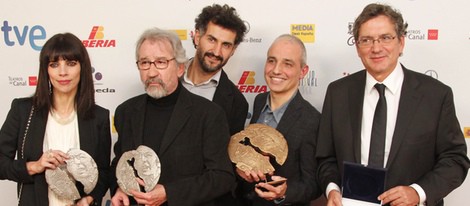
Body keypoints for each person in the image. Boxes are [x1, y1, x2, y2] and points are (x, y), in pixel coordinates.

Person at [316, 3, 470, 206]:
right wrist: (332, 189)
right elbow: (325, 158)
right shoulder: (338, 93)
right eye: (366, 40)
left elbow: (455, 160)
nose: (376, 48)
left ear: (401, 42)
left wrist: (418, 192)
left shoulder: (435, 95)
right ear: (357, 47)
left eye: (385, 38)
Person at [110, 27, 235, 206]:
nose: (151, 72)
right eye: (144, 62)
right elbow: (120, 162)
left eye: (161, 62)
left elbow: (222, 177)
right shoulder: (126, 112)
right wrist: (120, 187)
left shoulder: (209, 114)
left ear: (180, 68)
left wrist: (170, 193)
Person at [0, 33, 111, 206]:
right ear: (46, 70)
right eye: (54, 64)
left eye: (71, 63)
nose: (63, 72)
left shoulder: (99, 117)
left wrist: (89, 198)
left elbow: (103, 171)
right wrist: (34, 166)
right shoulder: (23, 110)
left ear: (83, 67)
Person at [236, 34, 321, 206]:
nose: (276, 70)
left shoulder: (312, 120)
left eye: (287, 64)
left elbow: (313, 184)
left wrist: (284, 192)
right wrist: (242, 169)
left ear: (303, 72)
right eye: (272, 61)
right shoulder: (259, 101)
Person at [182, 3, 249, 136]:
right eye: (212, 40)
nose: (217, 52)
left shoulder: (237, 103)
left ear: (233, 50)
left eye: (226, 45)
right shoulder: (168, 78)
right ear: (197, 37)